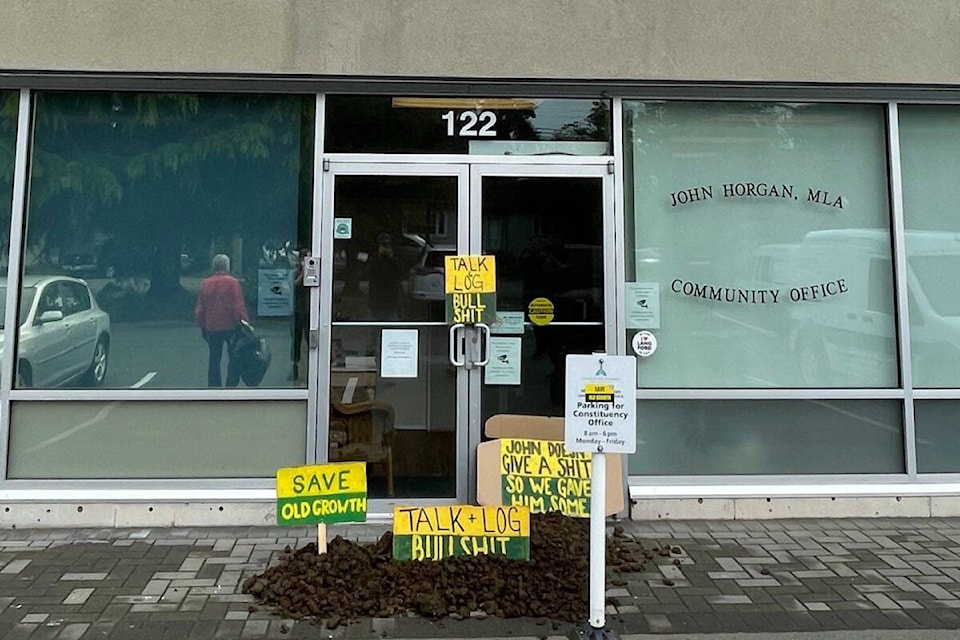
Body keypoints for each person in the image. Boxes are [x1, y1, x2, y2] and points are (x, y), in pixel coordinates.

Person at [195, 254, 249, 387]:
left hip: (212, 326)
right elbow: (238, 305)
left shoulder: (206, 283)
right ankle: (231, 384)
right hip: (231, 326)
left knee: (214, 358)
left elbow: (201, 307)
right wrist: (244, 322)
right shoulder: (233, 282)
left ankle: (214, 386)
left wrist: (202, 325)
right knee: (234, 357)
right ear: (227, 266)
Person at [367, 232, 402, 320]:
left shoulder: (396, 259)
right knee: (374, 329)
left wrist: (391, 258)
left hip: (391, 299)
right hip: (375, 299)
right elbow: (367, 273)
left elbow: (401, 272)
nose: (385, 247)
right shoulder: (373, 259)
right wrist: (379, 257)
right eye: (383, 244)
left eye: (388, 244)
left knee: (391, 328)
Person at [290, 247, 310, 380]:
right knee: (296, 339)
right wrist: (304, 272)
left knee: (310, 338)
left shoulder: (314, 270)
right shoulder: (295, 271)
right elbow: (295, 284)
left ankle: (310, 366)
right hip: (298, 309)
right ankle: (295, 366)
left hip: (309, 310)